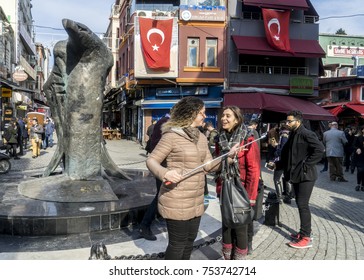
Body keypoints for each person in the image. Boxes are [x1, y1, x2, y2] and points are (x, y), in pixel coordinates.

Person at [146, 97, 233, 260]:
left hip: (196, 199)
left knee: (188, 243)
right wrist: (165, 173)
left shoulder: (201, 137)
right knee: (177, 244)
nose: (204, 116)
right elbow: (151, 160)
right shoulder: (171, 136)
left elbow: (207, 165)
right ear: (191, 114)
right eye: (202, 113)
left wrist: (226, 159)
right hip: (176, 199)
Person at [215, 106, 260, 260]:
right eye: (223, 115)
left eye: (228, 116)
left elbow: (253, 169)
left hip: (241, 191)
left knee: (240, 228)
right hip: (224, 188)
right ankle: (227, 258)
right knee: (226, 226)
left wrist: (251, 196)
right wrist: (225, 159)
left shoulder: (247, 138)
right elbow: (216, 165)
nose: (223, 119)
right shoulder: (219, 138)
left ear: (237, 119)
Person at [275, 110, 324, 249]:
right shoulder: (293, 133)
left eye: (290, 121)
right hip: (296, 174)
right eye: (286, 121)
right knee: (299, 203)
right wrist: (277, 164)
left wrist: (306, 164)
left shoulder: (306, 133)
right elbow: (287, 153)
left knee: (303, 205)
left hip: (306, 176)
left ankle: (306, 237)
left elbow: (320, 149)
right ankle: (304, 232)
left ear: (298, 121)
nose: (287, 123)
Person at [138, 114, 170, 241]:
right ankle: (144, 225)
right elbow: (157, 146)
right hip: (163, 167)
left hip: (165, 166)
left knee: (163, 195)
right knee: (161, 196)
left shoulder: (165, 122)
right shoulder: (165, 122)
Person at [272, 123, 290, 203]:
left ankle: (279, 197)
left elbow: (282, 149)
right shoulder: (290, 136)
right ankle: (288, 196)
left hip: (281, 160)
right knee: (286, 178)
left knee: (276, 179)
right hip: (288, 161)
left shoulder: (283, 137)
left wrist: (276, 151)